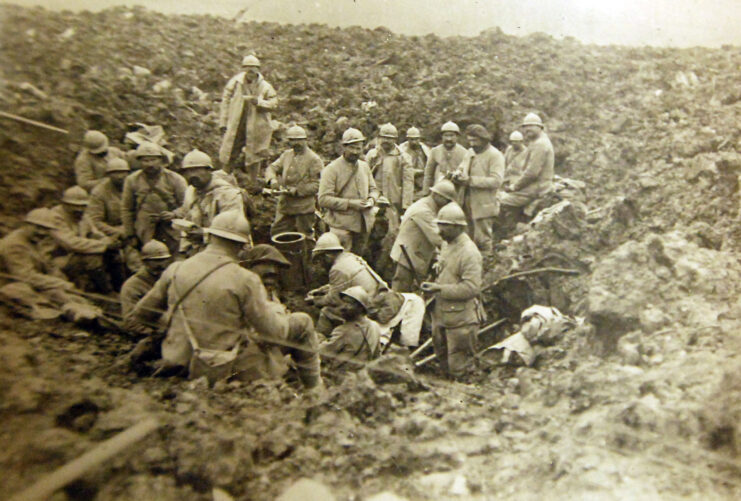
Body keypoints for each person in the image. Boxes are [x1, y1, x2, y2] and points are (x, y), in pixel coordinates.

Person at [130, 210, 290, 385]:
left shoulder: (175, 269)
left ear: (210, 237)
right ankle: (312, 389)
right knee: (295, 328)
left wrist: (174, 323)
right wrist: (277, 310)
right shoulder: (245, 279)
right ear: (242, 246)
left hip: (176, 361)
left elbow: (141, 314)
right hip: (220, 369)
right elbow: (273, 333)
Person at [242, 244, 321, 389]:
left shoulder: (268, 291)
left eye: (274, 273)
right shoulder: (245, 289)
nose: (272, 277)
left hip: (265, 347)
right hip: (250, 353)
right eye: (267, 273)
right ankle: (314, 390)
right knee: (304, 323)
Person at [0, 208, 101, 322]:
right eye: (38, 227)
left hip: (33, 282)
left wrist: (63, 282)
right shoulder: (14, 244)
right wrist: (61, 284)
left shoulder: (35, 241)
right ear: (26, 224)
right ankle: (62, 312)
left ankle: (80, 310)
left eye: (45, 229)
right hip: (12, 284)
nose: (42, 232)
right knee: (22, 293)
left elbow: (49, 266)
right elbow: (26, 276)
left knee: (65, 296)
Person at [421, 202, 483, 379]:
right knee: (443, 366)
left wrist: (439, 289)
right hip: (442, 317)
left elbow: (471, 288)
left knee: (459, 370)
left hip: (460, 322)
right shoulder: (448, 244)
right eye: (439, 225)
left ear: (458, 227)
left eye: (445, 227)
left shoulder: (469, 252)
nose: (440, 231)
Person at [308, 232, 388, 336]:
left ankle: (322, 339)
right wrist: (322, 290)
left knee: (326, 311)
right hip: (377, 295)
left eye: (321, 259)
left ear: (327, 256)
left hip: (370, 305)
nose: (321, 264)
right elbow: (343, 283)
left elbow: (334, 299)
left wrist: (315, 300)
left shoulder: (337, 269)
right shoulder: (349, 257)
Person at [218, 55, 278, 188]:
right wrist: (223, 122)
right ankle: (225, 177)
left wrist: (259, 102)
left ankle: (253, 182)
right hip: (237, 123)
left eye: (253, 70)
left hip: (257, 125)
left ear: (258, 70)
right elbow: (226, 101)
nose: (250, 73)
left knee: (255, 153)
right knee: (230, 149)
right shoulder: (235, 83)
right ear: (244, 69)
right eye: (248, 70)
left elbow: (274, 103)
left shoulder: (265, 86)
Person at [318, 128, 379, 255]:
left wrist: (372, 199)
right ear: (343, 147)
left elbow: (374, 189)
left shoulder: (364, 166)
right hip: (341, 227)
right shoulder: (331, 169)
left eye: (359, 148)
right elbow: (323, 199)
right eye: (352, 148)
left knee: (358, 259)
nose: (356, 152)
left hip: (363, 225)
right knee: (341, 261)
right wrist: (351, 203)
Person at [389, 179, 457, 292]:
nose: (448, 204)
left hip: (414, 256)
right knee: (399, 295)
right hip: (407, 257)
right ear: (436, 196)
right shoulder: (423, 211)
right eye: (447, 200)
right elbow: (438, 238)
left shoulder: (429, 208)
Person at [121, 142, 187, 256]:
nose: (149, 164)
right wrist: (130, 234)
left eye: (153, 160)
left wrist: (174, 214)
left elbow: (187, 205)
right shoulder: (132, 180)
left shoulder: (175, 179)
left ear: (161, 160)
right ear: (139, 162)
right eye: (145, 160)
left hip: (171, 230)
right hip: (144, 230)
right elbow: (127, 209)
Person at [50, 186, 120, 292]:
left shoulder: (83, 216)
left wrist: (108, 240)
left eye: (82, 206)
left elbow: (94, 233)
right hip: (56, 259)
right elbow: (70, 243)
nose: (79, 209)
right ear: (64, 204)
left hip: (76, 255)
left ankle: (118, 288)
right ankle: (106, 292)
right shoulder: (54, 216)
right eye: (74, 206)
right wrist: (104, 244)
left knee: (114, 253)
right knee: (92, 258)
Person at [176, 149, 245, 256]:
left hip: (227, 249)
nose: (192, 175)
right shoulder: (190, 191)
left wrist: (204, 233)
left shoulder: (227, 193)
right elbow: (187, 218)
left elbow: (233, 228)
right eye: (188, 171)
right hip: (198, 249)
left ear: (209, 170)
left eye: (196, 170)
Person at [450, 124, 504, 253]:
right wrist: (456, 174)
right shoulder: (470, 152)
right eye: (470, 140)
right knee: (467, 237)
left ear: (484, 139)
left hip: (484, 204)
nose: (472, 143)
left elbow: (496, 181)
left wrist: (470, 181)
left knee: (483, 240)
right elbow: (462, 167)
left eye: (475, 140)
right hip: (466, 200)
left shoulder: (495, 155)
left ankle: (486, 265)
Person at [264, 125, 323, 237]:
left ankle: (306, 254)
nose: (296, 143)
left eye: (299, 140)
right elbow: (271, 168)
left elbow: (318, 184)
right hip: (285, 205)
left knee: (305, 237)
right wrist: (272, 180)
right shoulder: (286, 155)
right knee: (277, 234)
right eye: (292, 140)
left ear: (305, 140)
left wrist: (297, 190)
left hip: (303, 207)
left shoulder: (314, 159)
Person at [86, 158, 141, 274]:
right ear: (108, 175)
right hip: (112, 231)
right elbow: (95, 220)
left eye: (123, 172)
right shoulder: (99, 192)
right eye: (115, 173)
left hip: (136, 226)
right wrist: (118, 232)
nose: (120, 176)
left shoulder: (136, 186)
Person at [500, 113, 555, 214]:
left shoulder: (540, 144)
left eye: (531, 126)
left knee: (496, 201)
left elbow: (531, 173)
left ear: (540, 127)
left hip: (537, 190)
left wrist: (514, 187)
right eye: (525, 127)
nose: (527, 129)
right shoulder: (536, 142)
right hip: (534, 187)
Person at [320, 286, 381, 372]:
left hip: (343, 379)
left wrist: (319, 338)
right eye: (343, 302)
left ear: (361, 308)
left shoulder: (343, 331)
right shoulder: (375, 326)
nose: (343, 307)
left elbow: (320, 353)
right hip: (365, 376)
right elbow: (377, 356)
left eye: (349, 303)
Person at [366, 123, 414, 231]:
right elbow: (364, 177)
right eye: (384, 138)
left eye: (390, 138)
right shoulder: (372, 155)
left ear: (395, 140)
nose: (386, 141)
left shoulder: (403, 157)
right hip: (374, 200)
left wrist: (406, 205)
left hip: (393, 202)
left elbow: (408, 182)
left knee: (392, 231)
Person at [121, 240, 173, 332]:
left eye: (164, 260)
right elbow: (130, 322)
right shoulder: (132, 285)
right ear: (144, 262)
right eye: (156, 261)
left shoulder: (172, 278)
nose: (161, 264)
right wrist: (153, 334)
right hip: (154, 332)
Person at [422, 121, 468, 195]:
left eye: (452, 135)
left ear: (457, 136)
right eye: (446, 135)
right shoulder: (435, 151)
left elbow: (466, 176)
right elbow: (428, 174)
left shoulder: (464, 153)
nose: (448, 139)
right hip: (438, 191)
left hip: (456, 192)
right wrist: (425, 192)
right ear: (442, 136)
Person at [399, 126, 430, 199]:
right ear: (407, 139)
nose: (414, 142)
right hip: (405, 182)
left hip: (421, 182)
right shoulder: (402, 149)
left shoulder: (425, 149)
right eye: (411, 139)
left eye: (416, 139)